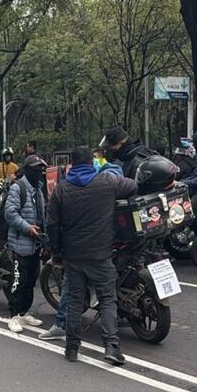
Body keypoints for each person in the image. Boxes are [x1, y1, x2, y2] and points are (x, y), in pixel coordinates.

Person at [46, 147, 136, 364]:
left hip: (74, 256)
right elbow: (133, 186)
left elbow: (51, 225)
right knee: (107, 299)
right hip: (101, 254)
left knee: (75, 301)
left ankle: (71, 348)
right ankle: (111, 347)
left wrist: (57, 253)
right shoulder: (107, 182)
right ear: (91, 163)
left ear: (72, 165)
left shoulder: (61, 189)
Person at [3, 155, 47, 333]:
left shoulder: (39, 189)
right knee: (18, 281)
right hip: (20, 243)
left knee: (30, 280)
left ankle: (24, 313)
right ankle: (13, 316)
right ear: (28, 169)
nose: (40, 171)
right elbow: (10, 214)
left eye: (41, 168)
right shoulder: (18, 188)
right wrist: (27, 228)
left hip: (35, 244)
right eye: (36, 168)